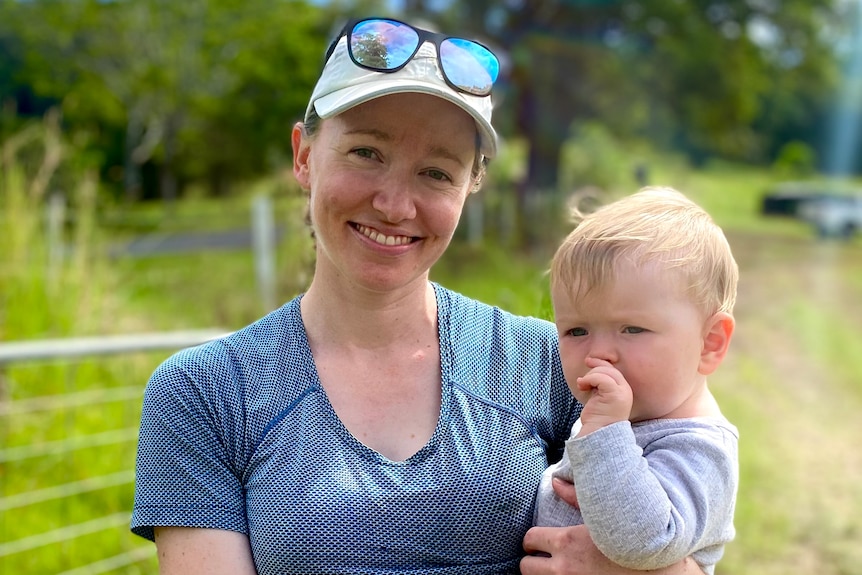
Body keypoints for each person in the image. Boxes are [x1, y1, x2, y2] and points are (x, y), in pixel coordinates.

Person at [131, 15, 706, 575]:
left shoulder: (552, 360)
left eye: (436, 172)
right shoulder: (204, 392)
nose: (395, 205)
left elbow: (690, 512)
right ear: (304, 156)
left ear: (470, 186)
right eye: (366, 153)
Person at [533, 187, 740, 574]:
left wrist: (604, 434)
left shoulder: (700, 449)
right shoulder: (621, 418)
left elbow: (646, 542)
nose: (599, 354)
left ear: (709, 344)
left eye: (632, 329)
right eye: (577, 331)